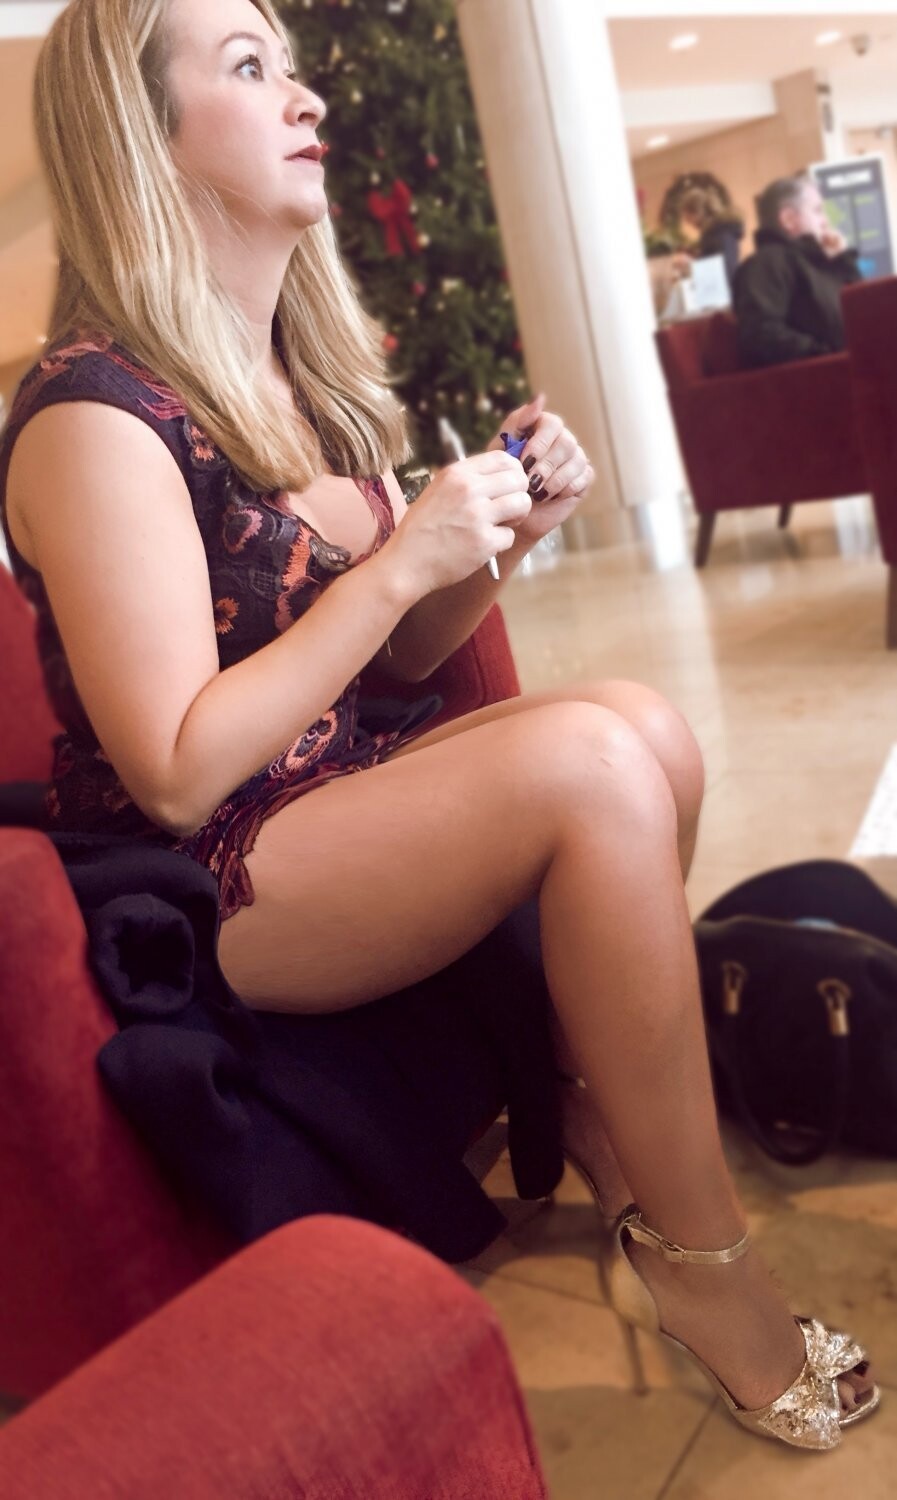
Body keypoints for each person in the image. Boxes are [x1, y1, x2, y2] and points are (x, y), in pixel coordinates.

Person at [0, 0, 877, 1450]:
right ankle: (702, 1266)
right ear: (144, 137)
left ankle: (599, 1118)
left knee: (645, 728)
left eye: (292, 65)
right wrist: (401, 562)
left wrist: (501, 542)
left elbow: (393, 659)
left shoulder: (292, 378)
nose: (307, 99)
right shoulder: (92, 414)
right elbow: (174, 771)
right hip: (199, 875)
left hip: (321, 793)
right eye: (250, 68)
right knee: (594, 768)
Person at [733, 173, 863, 367]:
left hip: (853, 365)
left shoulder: (817, 261)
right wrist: (826, 356)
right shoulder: (766, 264)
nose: (826, 221)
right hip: (827, 374)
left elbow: (862, 309)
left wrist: (841, 260)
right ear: (789, 219)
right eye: (818, 211)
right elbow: (760, 334)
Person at [680, 183, 745, 291]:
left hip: (724, 294)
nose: (688, 222)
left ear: (696, 212)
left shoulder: (719, 233)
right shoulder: (718, 231)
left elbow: (722, 270)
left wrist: (690, 264)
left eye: (688, 217)